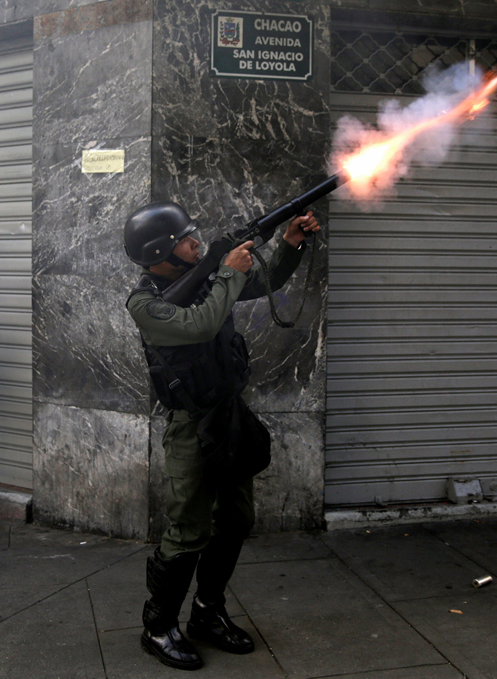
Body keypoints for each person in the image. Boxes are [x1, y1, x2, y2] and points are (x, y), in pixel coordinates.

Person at [124, 201, 320, 670]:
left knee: (235, 519)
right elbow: (200, 325)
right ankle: (158, 624)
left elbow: (266, 281)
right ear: (161, 254)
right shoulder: (144, 303)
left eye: (196, 237)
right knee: (189, 528)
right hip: (191, 425)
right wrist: (226, 270)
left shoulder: (208, 277)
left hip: (227, 415)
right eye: (187, 240)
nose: (197, 243)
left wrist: (291, 242)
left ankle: (207, 612)